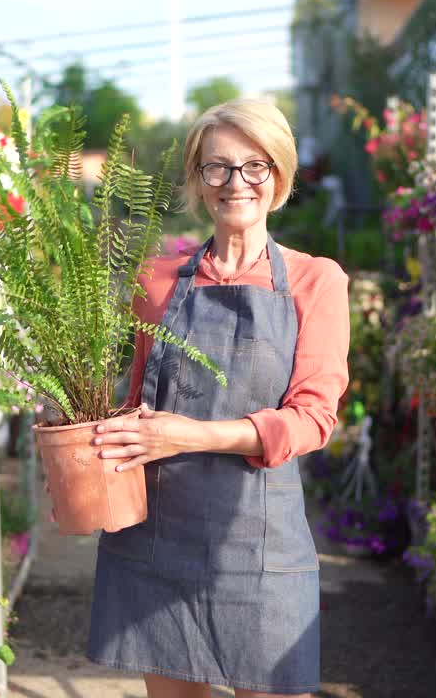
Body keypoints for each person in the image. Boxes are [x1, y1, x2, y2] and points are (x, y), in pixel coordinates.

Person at [85, 98, 351, 698]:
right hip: (158, 540)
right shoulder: (156, 281)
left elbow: (312, 419)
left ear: (279, 177)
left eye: (254, 166)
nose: (237, 183)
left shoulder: (315, 280)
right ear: (198, 180)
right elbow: (132, 402)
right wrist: (83, 444)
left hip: (259, 549)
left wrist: (188, 435)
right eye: (218, 167)